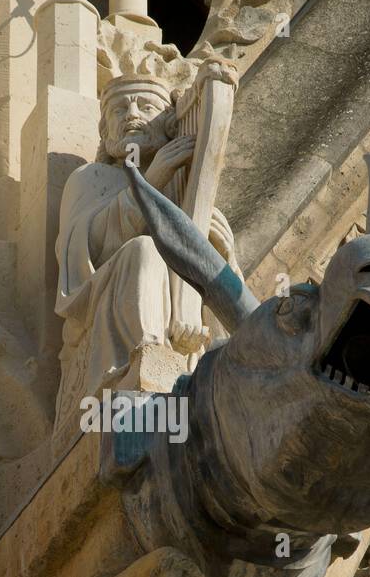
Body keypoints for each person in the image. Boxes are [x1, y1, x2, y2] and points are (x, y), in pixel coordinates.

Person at [54, 73, 235, 419]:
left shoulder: (185, 190)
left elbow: (238, 307)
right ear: (106, 134)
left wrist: (225, 254)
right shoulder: (91, 178)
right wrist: (151, 182)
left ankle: (190, 371)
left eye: (146, 105)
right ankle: (148, 359)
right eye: (120, 110)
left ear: (168, 125)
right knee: (145, 251)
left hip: (187, 333)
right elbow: (82, 253)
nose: (133, 114)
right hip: (104, 305)